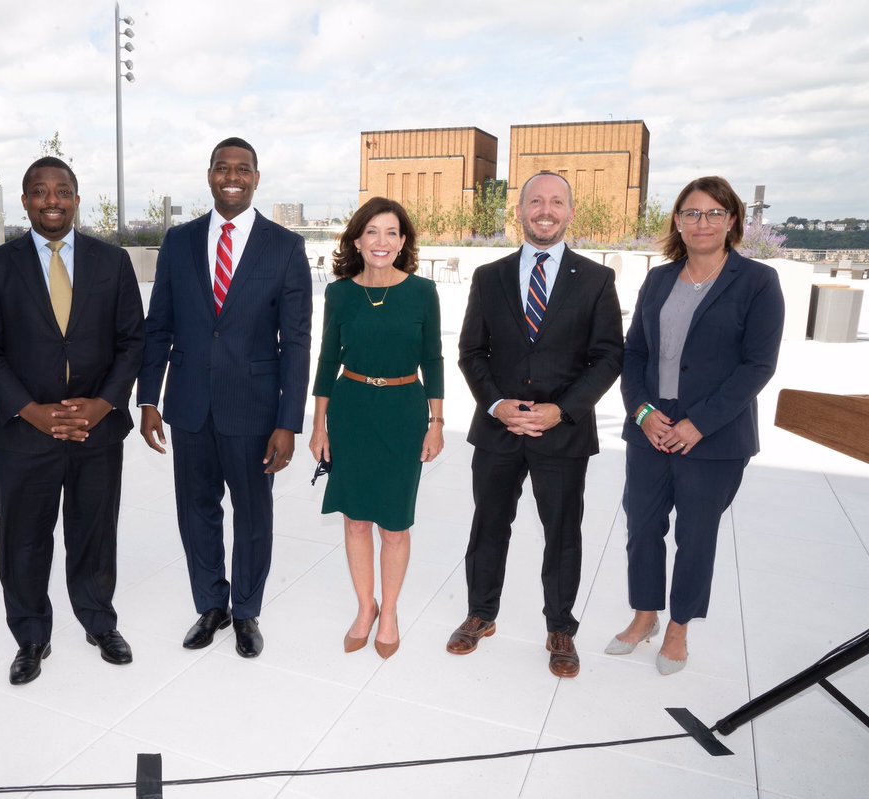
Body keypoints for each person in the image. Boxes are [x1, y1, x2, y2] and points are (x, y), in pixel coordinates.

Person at [0, 157, 145, 684]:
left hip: (97, 429)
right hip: (24, 432)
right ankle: (30, 636)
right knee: (24, 536)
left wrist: (105, 403)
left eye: (62, 191)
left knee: (94, 530)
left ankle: (97, 619)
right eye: (40, 192)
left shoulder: (112, 262)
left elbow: (133, 341)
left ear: (76, 198)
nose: (52, 201)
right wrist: (32, 412)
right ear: (25, 200)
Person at [137, 137, 312, 658]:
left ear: (257, 178)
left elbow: (297, 341)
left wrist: (289, 421)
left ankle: (247, 611)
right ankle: (210, 604)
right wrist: (149, 399)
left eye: (243, 168)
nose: (231, 176)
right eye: (222, 167)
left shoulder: (284, 246)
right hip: (189, 404)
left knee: (253, 513)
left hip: (255, 409)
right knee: (196, 510)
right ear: (209, 175)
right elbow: (158, 326)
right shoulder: (179, 241)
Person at [447, 172, 623, 678]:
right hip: (499, 431)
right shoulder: (490, 276)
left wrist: (562, 410)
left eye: (557, 201)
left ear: (571, 210)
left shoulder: (595, 280)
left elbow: (609, 356)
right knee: (488, 527)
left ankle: (561, 628)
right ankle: (480, 614)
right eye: (536, 201)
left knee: (563, 534)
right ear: (520, 210)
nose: (546, 210)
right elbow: (470, 351)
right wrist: (497, 403)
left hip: (562, 433)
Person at [606, 176, 784, 675]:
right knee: (642, 527)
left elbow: (758, 366)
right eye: (690, 213)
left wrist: (697, 424)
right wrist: (641, 413)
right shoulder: (659, 279)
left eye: (713, 213)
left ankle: (679, 626)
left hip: (714, 436)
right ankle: (645, 615)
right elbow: (635, 351)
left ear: (732, 221)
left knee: (696, 534)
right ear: (678, 222)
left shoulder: (757, 282)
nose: (701, 223)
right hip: (651, 426)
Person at [308, 197, 443, 660]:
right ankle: (366, 608)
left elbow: (433, 360)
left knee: (395, 524)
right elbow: (327, 360)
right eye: (372, 233)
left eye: (391, 233)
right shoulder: (339, 293)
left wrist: (436, 421)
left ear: (402, 241)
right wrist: (319, 425)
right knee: (355, 520)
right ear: (358, 241)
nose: (381, 242)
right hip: (352, 409)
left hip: (404, 413)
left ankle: (391, 613)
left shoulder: (423, 292)